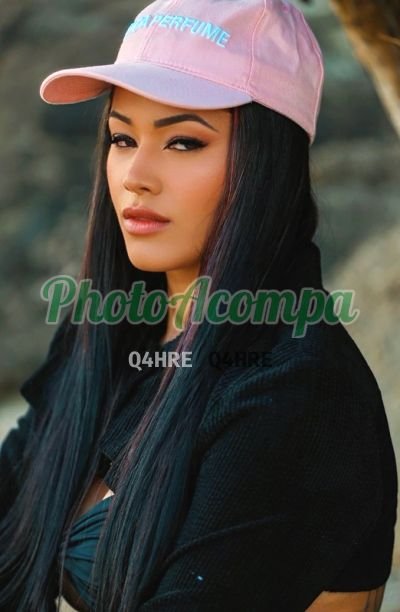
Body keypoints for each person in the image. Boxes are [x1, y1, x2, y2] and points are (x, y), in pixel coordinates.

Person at [0, 0, 397, 610]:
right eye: (122, 137)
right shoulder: (107, 329)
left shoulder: (296, 391)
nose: (135, 175)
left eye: (183, 142)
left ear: (268, 162)